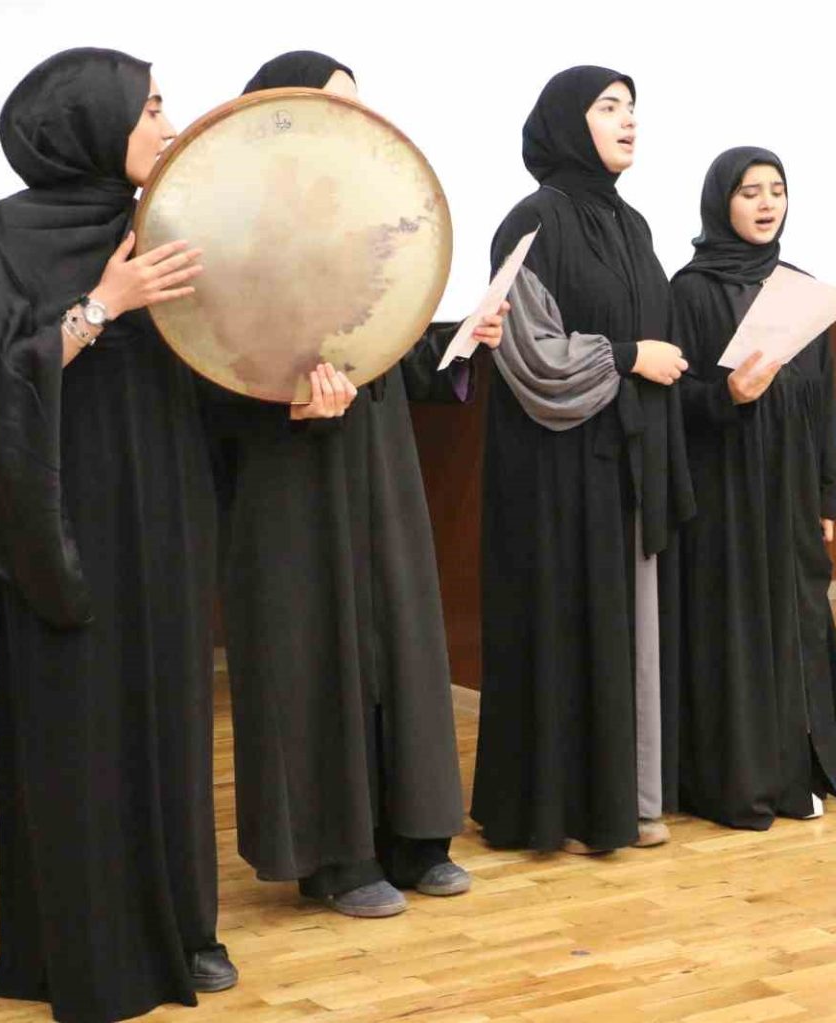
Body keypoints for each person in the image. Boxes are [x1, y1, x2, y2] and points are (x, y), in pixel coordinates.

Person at [0, 47, 235, 1022]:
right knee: (82, 717)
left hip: (165, 497)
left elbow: (217, 354)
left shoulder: (165, 223)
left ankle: (185, 927)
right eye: (150, 108)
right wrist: (101, 308)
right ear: (93, 120)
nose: (169, 126)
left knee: (172, 710)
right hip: (68, 510)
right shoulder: (14, 231)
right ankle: (88, 943)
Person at [207, 50, 505, 919]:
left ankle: (415, 837)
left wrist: (457, 339)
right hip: (286, 474)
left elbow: (392, 351)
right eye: (333, 107)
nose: (355, 124)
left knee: (398, 639)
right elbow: (201, 368)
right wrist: (281, 403)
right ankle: (335, 857)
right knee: (311, 651)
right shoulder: (225, 230)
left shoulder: (363, 221)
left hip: (377, 458)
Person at [471, 66, 695, 854]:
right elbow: (532, 353)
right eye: (608, 107)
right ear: (568, 122)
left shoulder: (634, 226)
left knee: (625, 628)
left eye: (633, 107)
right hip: (555, 471)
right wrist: (630, 356)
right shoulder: (531, 220)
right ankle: (556, 808)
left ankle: (623, 800)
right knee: (563, 626)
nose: (629, 120)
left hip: (625, 460)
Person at [670, 146, 836, 829]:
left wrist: (828, 495)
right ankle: (737, 783)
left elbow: (824, 401)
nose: (766, 204)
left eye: (776, 190)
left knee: (797, 623)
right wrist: (727, 395)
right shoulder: (690, 290)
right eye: (749, 191)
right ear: (720, 201)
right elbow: (673, 400)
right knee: (735, 628)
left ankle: (797, 772)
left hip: (791, 485)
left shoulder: (800, 288)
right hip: (723, 487)